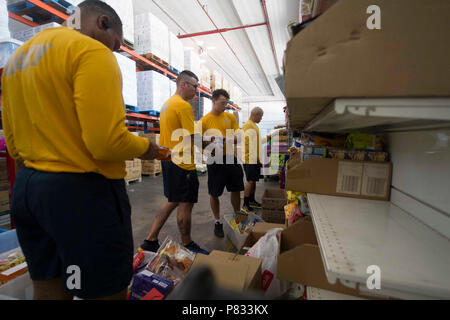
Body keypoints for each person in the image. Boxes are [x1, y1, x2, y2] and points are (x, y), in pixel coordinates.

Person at [1, 0, 160, 300]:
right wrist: (147, 148)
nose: (113, 51)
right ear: (102, 22)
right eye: (115, 45)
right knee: (106, 289)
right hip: (82, 193)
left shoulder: (17, 60)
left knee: (48, 285)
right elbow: (106, 142)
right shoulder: (91, 52)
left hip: (27, 192)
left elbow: (12, 142)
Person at [138, 71, 209, 255]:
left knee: (173, 200)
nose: (196, 90)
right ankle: (187, 243)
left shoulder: (167, 104)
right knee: (185, 203)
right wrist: (212, 146)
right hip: (182, 163)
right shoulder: (183, 106)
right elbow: (193, 137)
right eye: (194, 86)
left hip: (169, 160)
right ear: (183, 84)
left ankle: (150, 240)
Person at [199, 89, 244, 238]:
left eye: (226, 103)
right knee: (214, 192)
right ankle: (217, 221)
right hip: (215, 160)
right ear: (213, 101)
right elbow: (198, 142)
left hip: (230, 157)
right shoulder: (204, 121)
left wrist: (228, 139)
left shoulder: (230, 118)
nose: (225, 106)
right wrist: (207, 148)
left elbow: (239, 135)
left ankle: (238, 216)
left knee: (236, 188)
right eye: (222, 103)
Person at [241, 107, 264, 212]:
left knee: (253, 181)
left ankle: (251, 200)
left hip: (255, 159)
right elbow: (247, 143)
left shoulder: (254, 126)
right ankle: (245, 204)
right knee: (250, 181)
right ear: (256, 114)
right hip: (250, 159)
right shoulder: (248, 125)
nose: (261, 119)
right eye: (261, 116)